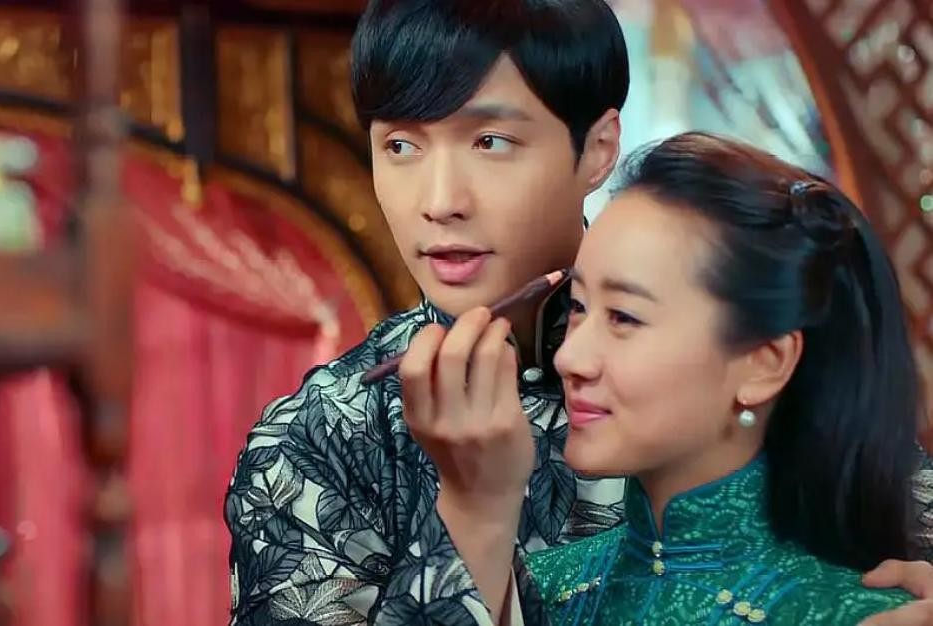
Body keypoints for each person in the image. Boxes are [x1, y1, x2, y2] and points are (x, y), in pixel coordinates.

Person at [225, 2, 933, 624]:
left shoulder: (744, 352)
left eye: (489, 141)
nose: (439, 202)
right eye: (401, 146)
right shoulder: (324, 435)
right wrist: (471, 516)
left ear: (597, 149)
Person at [408, 131, 929, 625]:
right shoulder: (541, 590)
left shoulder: (862, 615)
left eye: (624, 317)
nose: (569, 357)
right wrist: (475, 513)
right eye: (579, 307)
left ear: (764, 363)